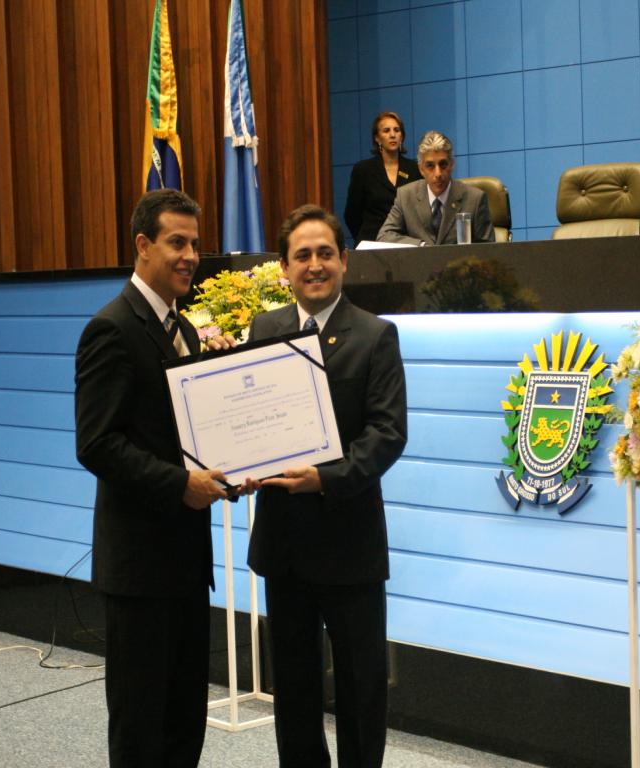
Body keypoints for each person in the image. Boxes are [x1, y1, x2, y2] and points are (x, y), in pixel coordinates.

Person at [75, 189, 242, 767]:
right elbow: (97, 444)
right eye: (177, 242)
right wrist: (180, 485)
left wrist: (230, 467)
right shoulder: (111, 329)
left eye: (195, 243)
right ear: (143, 246)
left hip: (185, 567)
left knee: (182, 726)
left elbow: (187, 437)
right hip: (139, 570)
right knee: (141, 729)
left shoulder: (186, 330)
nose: (190, 255)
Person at [248, 205, 408, 767]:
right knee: (293, 692)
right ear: (284, 269)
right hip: (284, 544)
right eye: (301, 256)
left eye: (324, 254)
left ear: (343, 260)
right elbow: (251, 422)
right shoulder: (263, 330)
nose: (314, 265)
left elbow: (387, 435)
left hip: (350, 544)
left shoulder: (375, 336)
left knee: (362, 692)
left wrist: (324, 478)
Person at [376, 130, 494, 245]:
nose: (438, 173)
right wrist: (421, 246)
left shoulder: (475, 199)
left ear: (452, 165)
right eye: (430, 166)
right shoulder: (405, 196)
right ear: (421, 169)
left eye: (443, 164)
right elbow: (384, 236)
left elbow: (488, 251)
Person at [343, 111, 422, 244]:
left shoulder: (414, 169)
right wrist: (364, 239)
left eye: (397, 130)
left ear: (401, 136)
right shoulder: (363, 170)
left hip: (405, 241)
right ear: (377, 138)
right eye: (386, 131)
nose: (392, 135)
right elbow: (351, 214)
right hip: (371, 242)